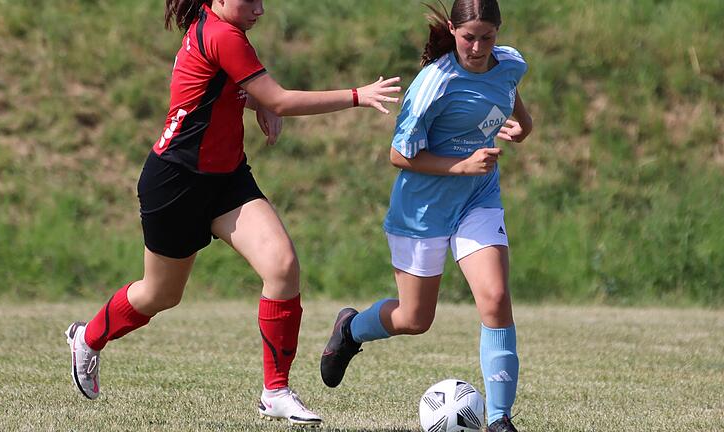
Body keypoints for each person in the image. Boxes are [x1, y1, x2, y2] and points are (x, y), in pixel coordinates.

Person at [64, 0, 400, 427]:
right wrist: (357, 95)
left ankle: (275, 392)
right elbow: (278, 100)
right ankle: (87, 338)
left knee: (282, 266)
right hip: (176, 182)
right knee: (160, 294)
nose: (260, 9)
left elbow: (219, 89)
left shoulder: (220, 28)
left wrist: (252, 100)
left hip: (226, 180)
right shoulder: (222, 35)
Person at [319, 1, 532, 431]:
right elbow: (399, 155)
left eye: (486, 37)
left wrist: (520, 127)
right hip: (422, 209)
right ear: (453, 30)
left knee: (494, 297)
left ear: (498, 33)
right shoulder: (434, 83)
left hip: (477, 198)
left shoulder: (510, 63)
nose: (477, 47)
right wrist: (460, 165)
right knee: (415, 319)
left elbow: (513, 103)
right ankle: (351, 330)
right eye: (468, 37)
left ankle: (499, 419)